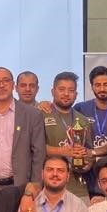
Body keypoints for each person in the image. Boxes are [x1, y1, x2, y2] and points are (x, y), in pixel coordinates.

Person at [0, 66, 45, 188]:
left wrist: (35, 185)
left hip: (19, 186)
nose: (1, 85)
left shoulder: (32, 114)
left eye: (5, 80)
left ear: (13, 85)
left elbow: (39, 154)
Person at [42, 72, 95, 200]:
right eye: (61, 89)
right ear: (53, 91)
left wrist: (86, 164)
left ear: (76, 94)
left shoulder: (83, 120)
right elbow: (34, 148)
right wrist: (63, 151)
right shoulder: (40, 115)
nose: (66, 94)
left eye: (71, 90)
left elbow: (89, 152)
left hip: (78, 189)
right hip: (48, 188)